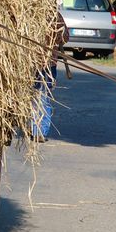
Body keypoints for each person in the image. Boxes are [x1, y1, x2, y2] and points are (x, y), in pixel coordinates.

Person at [32, 10, 69, 142]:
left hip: (47, 64)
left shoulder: (56, 16)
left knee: (42, 97)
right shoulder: (54, 16)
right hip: (36, 64)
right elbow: (65, 38)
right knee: (39, 97)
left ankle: (39, 131)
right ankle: (38, 130)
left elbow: (65, 37)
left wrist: (57, 34)